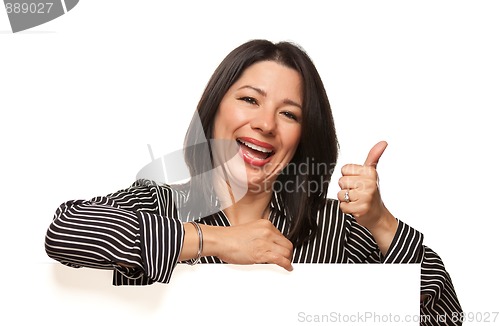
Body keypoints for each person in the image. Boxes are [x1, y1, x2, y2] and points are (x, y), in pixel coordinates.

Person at [45, 39, 462, 325]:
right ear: (213, 112)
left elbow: (443, 316)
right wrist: (217, 241)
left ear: (303, 137)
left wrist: (382, 223)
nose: (264, 124)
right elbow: (64, 231)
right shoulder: (159, 204)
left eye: (289, 114)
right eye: (249, 99)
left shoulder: (334, 230)